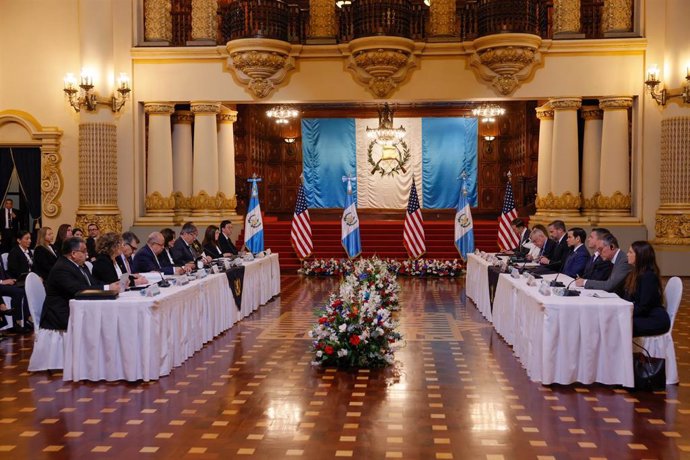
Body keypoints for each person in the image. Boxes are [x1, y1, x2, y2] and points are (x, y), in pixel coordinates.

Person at [40, 237, 120, 331]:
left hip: (78, 309)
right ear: (73, 254)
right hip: (61, 314)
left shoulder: (80, 265)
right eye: (84, 251)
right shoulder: (61, 268)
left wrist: (110, 285)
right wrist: (107, 288)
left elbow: (93, 283)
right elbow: (78, 290)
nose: (87, 254)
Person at [623, 241, 671, 337]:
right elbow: (628, 299)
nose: (627, 254)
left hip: (654, 319)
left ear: (641, 256)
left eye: (631, 252)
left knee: (619, 325)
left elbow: (644, 307)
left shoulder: (648, 276)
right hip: (643, 315)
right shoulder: (634, 274)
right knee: (615, 322)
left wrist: (624, 313)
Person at [0, 262, 28, 333]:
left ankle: (25, 320)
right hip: (1, 284)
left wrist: (10, 279)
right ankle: (16, 322)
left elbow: (3, 272)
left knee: (24, 288)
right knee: (18, 292)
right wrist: (2, 281)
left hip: (4, 283)